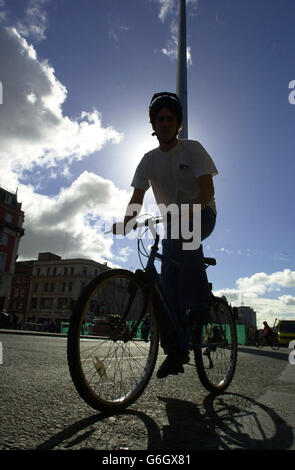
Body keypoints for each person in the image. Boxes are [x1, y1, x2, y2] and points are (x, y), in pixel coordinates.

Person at [112, 92, 218, 378]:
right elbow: (137, 198)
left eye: (171, 118)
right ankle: (176, 349)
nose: (165, 123)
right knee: (166, 286)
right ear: (154, 124)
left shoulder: (193, 149)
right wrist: (125, 223)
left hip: (202, 213)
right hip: (171, 224)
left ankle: (200, 305)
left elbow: (207, 191)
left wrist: (189, 211)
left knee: (186, 232)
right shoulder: (148, 160)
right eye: (160, 119)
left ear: (178, 124)